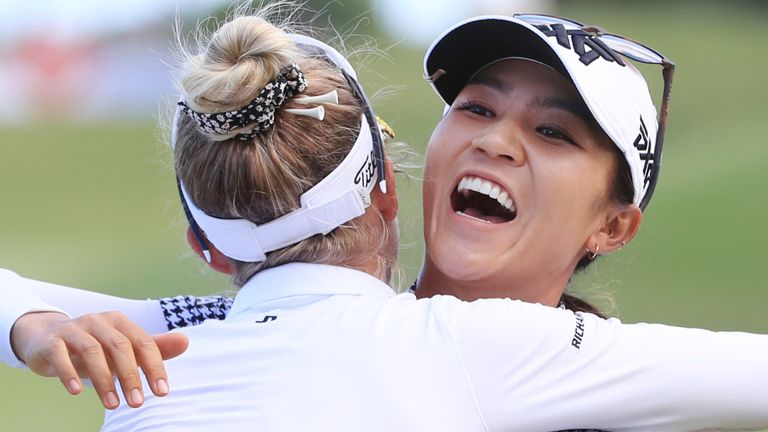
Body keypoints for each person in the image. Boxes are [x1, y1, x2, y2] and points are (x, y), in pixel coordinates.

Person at [5, 9, 768, 431]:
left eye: (554, 133)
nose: (496, 140)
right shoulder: (200, 334)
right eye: (475, 107)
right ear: (390, 191)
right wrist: (33, 328)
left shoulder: (573, 370)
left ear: (612, 227)